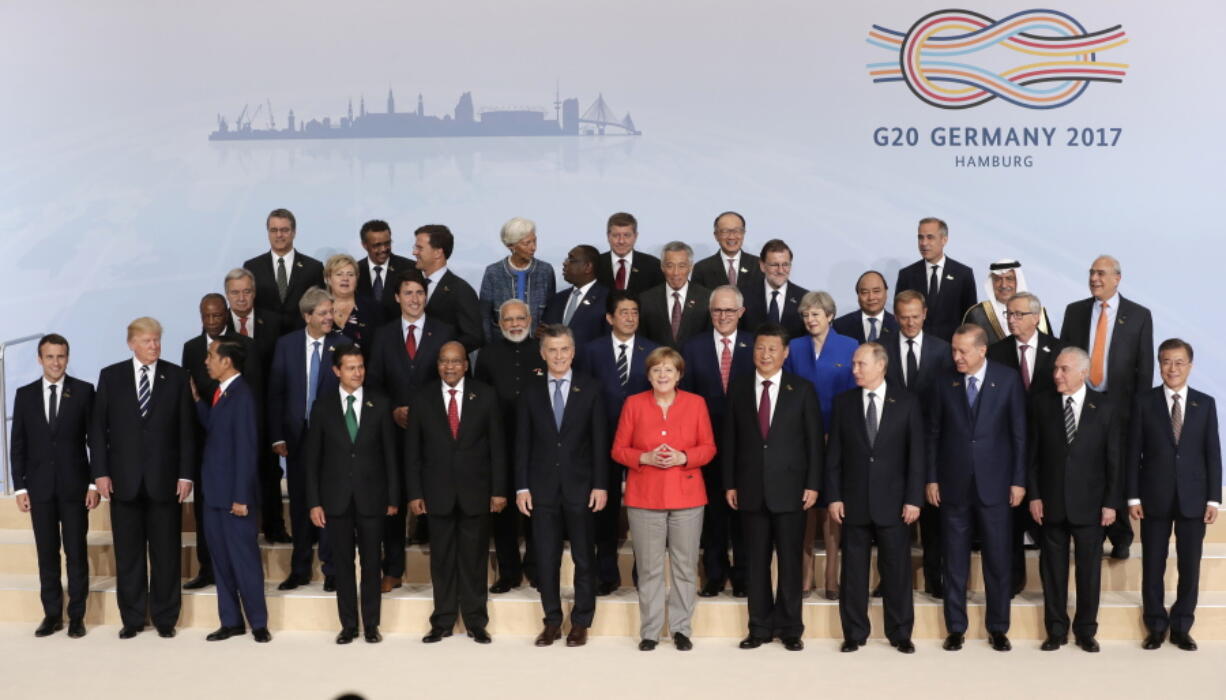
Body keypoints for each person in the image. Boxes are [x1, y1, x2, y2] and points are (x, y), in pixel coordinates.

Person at [90, 317, 195, 639]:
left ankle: (165, 618)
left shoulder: (176, 376)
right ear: (131, 343)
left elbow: (187, 431)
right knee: (129, 555)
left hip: (165, 481)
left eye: (157, 341)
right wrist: (101, 474)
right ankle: (133, 618)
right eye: (148, 341)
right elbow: (98, 430)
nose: (154, 347)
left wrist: (185, 475)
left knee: (166, 554)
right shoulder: (111, 376)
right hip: (124, 481)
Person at [926, 324, 1026, 652]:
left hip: (996, 486)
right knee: (953, 561)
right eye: (954, 350)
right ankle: (956, 627)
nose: (956, 357)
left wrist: (1018, 480)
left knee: (998, 560)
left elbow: (1018, 435)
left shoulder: (1008, 379)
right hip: (953, 485)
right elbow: (934, 435)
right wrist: (931, 478)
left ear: (982, 350)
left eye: (963, 351)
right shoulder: (943, 381)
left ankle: (998, 627)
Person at [724, 323, 823, 652]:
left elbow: (813, 444)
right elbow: (731, 442)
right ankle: (759, 627)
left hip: (792, 490)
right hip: (750, 489)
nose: (764, 355)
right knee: (755, 562)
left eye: (771, 349)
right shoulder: (738, 388)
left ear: (785, 353)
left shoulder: (803, 389)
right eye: (759, 348)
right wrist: (729, 483)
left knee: (791, 562)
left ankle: (791, 628)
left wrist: (813, 484)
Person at [612, 347, 716, 651]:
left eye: (669, 369)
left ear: (679, 374)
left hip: (687, 496)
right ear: (648, 374)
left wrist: (684, 456)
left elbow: (709, 448)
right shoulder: (633, 404)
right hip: (644, 496)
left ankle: (682, 628)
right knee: (649, 567)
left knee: (685, 566)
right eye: (657, 370)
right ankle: (651, 631)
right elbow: (618, 449)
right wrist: (643, 456)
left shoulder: (696, 404)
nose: (662, 375)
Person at [826, 343, 923, 653]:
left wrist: (913, 499)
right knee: (853, 572)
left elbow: (916, 458)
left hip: (895, 505)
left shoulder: (907, 403)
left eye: (860, 364)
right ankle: (854, 632)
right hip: (853, 503)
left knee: (896, 571)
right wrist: (835, 496)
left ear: (881, 366)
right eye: (854, 364)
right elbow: (834, 457)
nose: (854, 369)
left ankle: (900, 633)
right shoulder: (843, 403)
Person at [407, 342, 507, 644]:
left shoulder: (486, 395)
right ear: (438, 364)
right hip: (436, 494)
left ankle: (476, 621)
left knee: (474, 560)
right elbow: (412, 451)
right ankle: (443, 621)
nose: (449, 367)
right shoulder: (422, 397)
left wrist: (499, 490)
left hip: (476, 492)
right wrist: (414, 493)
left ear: (466, 364)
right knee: (442, 560)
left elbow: (498, 448)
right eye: (444, 361)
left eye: (455, 362)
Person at [515, 325, 609, 648]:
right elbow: (522, 443)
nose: (558, 356)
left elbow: (599, 441)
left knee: (584, 557)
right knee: (546, 558)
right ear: (543, 353)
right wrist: (521, 487)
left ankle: (581, 621)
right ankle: (552, 621)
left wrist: (600, 484)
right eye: (552, 350)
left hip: (581, 488)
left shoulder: (591, 388)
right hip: (541, 490)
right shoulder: (529, 391)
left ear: (573, 351)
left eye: (564, 349)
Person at [1129, 338, 1221, 651]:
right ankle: (1155, 626)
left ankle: (1182, 626)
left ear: (1190, 366)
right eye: (1166, 361)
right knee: (1152, 564)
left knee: (1189, 565)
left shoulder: (1205, 403)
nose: (1173, 368)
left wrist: (1213, 499)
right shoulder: (1144, 402)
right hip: (1153, 497)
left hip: (1194, 499)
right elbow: (1133, 454)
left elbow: (1213, 454)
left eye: (1179, 362)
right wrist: (1132, 497)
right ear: (1159, 365)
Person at [304, 345, 400, 644]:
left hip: (372, 497)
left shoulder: (380, 404)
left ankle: (371, 625)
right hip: (336, 499)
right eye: (350, 368)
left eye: (360, 367)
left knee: (372, 563)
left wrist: (394, 498)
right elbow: (313, 460)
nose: (357, 373)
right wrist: (314, 502)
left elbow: (390, 456)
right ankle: (348, 625)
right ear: (336, 371)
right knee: (343, 564)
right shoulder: (322, 406)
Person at [1060, 255, 1154, 558]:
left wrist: (1139, 413)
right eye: (1091, 273)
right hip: (1081, 405)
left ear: (1117, 278)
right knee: (1088, 468)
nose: (1094, 279)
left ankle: (1121, 534)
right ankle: (1092, 532)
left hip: (1121, 408)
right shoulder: (1074, 312)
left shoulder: (1139, 315)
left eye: (1101, 273)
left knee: (1119, 468)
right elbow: (1065, 358)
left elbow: (1144, 369)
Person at [1028, 347, 1120, 653]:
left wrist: (1110, 503)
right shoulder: (1042, 404)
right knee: (1052, 572)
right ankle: (1055, 630)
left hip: (1091, 506)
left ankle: (1085, 631)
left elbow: (1114, 461)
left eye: (1064, 369)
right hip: (1050, 504)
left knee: (1088, 572)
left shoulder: (1105, 408)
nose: (1057, 375)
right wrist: (1035, 496)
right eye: (1056, 368)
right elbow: (1033, 458)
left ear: (1083, 373)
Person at [366, 275, 456, 589]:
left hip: (434, 433)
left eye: (420, 293)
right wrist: (392, 409)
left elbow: (449, 380)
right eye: (408, 293)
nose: (415, 299)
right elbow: (373, 383)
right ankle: (392, 569)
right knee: (393, 500)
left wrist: (424, 412)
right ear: (397, 297)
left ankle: (442, 570)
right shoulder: (383, 335)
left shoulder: (444, 332)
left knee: (437, 498)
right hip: (394, 431)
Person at [10, 334, 97, 638]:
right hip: (39, 490)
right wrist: (20, 488)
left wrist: (92, 483)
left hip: (75, 488)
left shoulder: (84, 391)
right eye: (50, 357)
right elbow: (17, 445)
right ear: (39, 359)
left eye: (61, 356)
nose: (56, 362)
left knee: (76, 552)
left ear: (67, 358)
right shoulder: (24, 395)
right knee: (47, 554)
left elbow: (95, 442)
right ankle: (51, 615)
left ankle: (76, 616)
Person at [577, 291, 659, 595]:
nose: (630, 317)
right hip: (603, 442)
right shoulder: (590, 351)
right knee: (604, 511)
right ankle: (606, 573)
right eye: (624, 312)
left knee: (644, 511)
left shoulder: (653, 351)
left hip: (643, 447)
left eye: (635, 312)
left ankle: (644, 574)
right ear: (610, 318)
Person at [267, 288, 348, 592]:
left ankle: (331, 570)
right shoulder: (286, 345)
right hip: (296, 438)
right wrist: (276, 436)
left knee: (328, 503)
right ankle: (299, 569)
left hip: (331, 441)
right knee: (301, 504)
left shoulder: (343, 345)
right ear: (308, 316)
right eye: (324, 313)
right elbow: (275, 394)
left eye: (331, 312)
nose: (330, 317)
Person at [181, 293, 262, 590]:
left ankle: (251, 607)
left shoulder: (240, 348)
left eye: (218, 315)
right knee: (208, 517)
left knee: (238, 533)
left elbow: (246, 399)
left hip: (232, 445)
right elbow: (189, 399)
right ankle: (208, 568)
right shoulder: (190, 348)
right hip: (205, 446)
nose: (213, 321)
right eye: (207, 316)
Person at [191, 339, 270, 643]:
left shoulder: (243, 396)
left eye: (211, 356)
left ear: (227, 362)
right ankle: (231, 621)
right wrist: (198, 401)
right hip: (213, 494)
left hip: (234, 499)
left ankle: (258, 622)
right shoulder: (220, 394)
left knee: (244, 561)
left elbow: (246, 451)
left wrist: (240, 497)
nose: (207, 361)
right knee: (221, 562)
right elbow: (216, 430)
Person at [988, 291, 1066, 594]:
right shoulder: (996, 352)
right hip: (1006, 452)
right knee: (1010, 525)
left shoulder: (1058, 350)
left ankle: (1052, 589)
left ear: (1036, 317)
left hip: (1048, 453)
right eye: (1009, 314)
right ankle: (1011, 584)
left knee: (1048, 525)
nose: (1012, 320)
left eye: (1019, 314)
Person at [782, 291, 857, 599]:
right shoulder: (795, 348)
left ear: (830, 316)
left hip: (837, 439)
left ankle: (831, 579)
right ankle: (804, 577)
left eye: (816, 314)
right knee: (805, 509)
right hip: (801, 441)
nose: (810, 320)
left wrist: (835, 434)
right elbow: (787, 394)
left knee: (832, 510)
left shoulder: (850, 346)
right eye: (806, 315)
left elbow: (854, 395)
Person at [681, 285, 754, 598]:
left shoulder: (755, 346)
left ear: (741, 312)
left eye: (729, 310)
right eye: (717, 310)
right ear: (709, 313)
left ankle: (742, 576)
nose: (723, 316)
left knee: (742, 513)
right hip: (705, 445)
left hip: (746, 446)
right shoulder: (692, 347)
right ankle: (714, 573)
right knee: (712, 514)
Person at [473, 299, 545, 593]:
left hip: (538, 447)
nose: (515, 324)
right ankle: (509, 572)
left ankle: (536, 569)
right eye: (508, 320)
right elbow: (478, 399)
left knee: (537, 512)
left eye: (520, 318)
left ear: (530, 319)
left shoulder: (543, 351)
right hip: (499, 445)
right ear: (499, 324)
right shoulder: (487, 355)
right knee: (502, 514)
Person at [885, 289, 952, 598]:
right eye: (904, 317)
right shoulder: (881, 348)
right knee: (893, 517)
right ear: (895, 316)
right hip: (891, 446)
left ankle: (935, 577)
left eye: (915, 316)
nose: (910, 323)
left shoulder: (943, 350)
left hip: (933, 444)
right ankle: (890, 579)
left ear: (924, 314)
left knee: (934, 516)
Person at [223, 268, 291, 543]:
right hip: (232, 417)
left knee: (268, 472)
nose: (241, 298)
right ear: (227, 295)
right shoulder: (217, 323)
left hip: (265, 413)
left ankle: (274, 527)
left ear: (254, 292)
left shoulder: (273, 322)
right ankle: (240, 530)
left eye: (247, 291)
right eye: (235, 292)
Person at [895, 217, 977, 342]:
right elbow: (900, 314)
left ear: (944, 240)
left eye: (930, 237)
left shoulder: (963, 274)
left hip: (951, 350)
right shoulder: (907, 275)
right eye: (920, 237)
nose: (923, 243)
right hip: (916, 350)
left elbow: (970, 319)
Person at [243, 208, 325, 329]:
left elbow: (321, 307)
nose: (279, 235)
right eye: (274, 230)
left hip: (301, 340)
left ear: (294, 232)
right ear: (268, 232)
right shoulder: (252, 267)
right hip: (264, 342)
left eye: (284, 230)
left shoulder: (313, 268)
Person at [479, 216, 556, 343]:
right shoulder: (493, 272)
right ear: (511, 246)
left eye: (534, 241)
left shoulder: (545, 270)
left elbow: (551, 311)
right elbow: (484, 316)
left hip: (537, 346)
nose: (533, 247)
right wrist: (488, 346)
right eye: (527, 243)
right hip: (501, 346)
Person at [414, 224, 484, 352]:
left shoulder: (461, 290)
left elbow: (474, 336)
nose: (414, 252)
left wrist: (443, 349)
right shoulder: (411, 284)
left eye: (419, 248)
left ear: (437, 252)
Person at [639, 241, 711, 349]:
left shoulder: (707, 298)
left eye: (682, 266)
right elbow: (642, 340)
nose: (675, 272)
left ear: (690, 267)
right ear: (662, 267)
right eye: (670, 266)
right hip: (658, 363)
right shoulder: (646, 299)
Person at [964, 259, 1052, 344]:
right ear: (992, 283)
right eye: (998, 279)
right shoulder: (977, 313)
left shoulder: (1038, 314)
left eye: (1009, 279)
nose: (1004, 285)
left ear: (1018, 281)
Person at [542, 244, 609, 348]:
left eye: (571, 260)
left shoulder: (608, 299)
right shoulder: (556, 300)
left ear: (588, 267)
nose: (565, 263)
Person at [741, 239, 808, 340]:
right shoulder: (744, 295)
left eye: (785, 264)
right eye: (774, 265)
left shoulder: (804, 298)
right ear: (762, 266)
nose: (780, 270)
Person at [355, 219, 414, 325]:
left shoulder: (409, 268)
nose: (383, 249)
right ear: (364, 245)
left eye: (387, 243)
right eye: (377, 245)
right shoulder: (355, 271)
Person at [595, 211, 664, 299]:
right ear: (608, 236)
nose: (621, 241)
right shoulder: (595, 265)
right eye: (616, 235)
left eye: (627, 235)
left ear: (635, 236)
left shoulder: (653, 266)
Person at [691, 211, 763, 292]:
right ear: (716, 236)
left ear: (743, 234)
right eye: (725, 231)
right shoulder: (702, 268)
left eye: (736, 231)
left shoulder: (759, 265)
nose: (731, 237)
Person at [324, 253, 373, 355]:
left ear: (357, 278)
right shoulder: (317, 308)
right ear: (328, 279)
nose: (345, 278)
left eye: (350, 274)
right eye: (339, 274)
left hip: (362, 369)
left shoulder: (372, 308)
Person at [832, 270, 899, 343]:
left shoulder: (898, 324)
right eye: (865, 292)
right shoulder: (840, 326)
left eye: (876, 291)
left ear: (886, 293)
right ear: (858, 296)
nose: (871, 297)